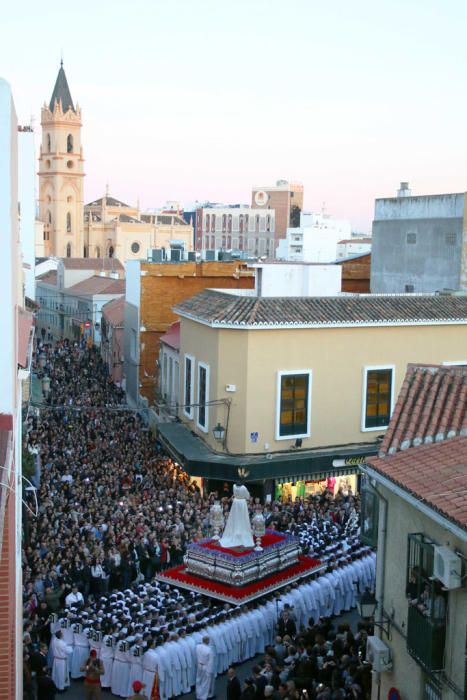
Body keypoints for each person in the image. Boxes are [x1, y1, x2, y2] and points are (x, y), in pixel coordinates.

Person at [219, 484, 254, 548]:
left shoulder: (234, 485)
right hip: (242, 503)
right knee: (242, 519)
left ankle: (237, 531)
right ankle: (240, 532)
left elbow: (235, 494)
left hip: (236, 502)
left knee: (235, 518)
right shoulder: (243, 487)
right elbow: (247, 496)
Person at [196, 635, 215, 700]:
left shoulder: (197, 646)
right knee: (205, 682)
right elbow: (210, 662)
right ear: (207, 641)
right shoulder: (209, 650)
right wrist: (209, 671)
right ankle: (204, 697)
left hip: (199, 665)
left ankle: (198, 695)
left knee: (198, 680)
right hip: (205, 666)